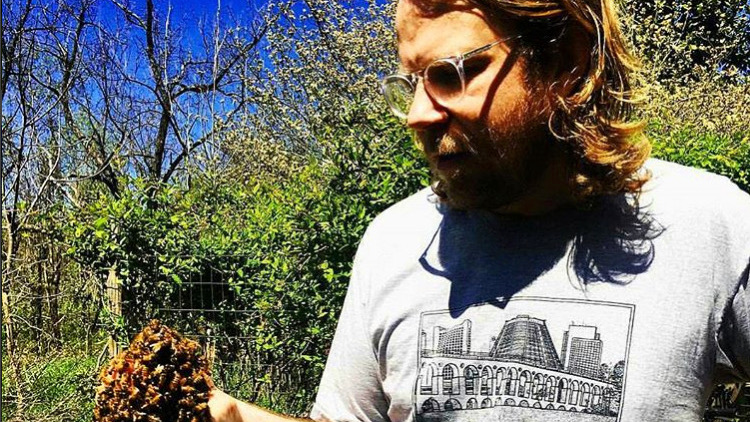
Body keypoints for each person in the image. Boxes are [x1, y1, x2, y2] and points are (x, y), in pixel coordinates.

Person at [208, 0, 750, 421]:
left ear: (566, 61)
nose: (417, 115)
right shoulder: (394, 240)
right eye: (410, 83)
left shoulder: (712, 225)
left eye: (451, 74)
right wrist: (234, 417)